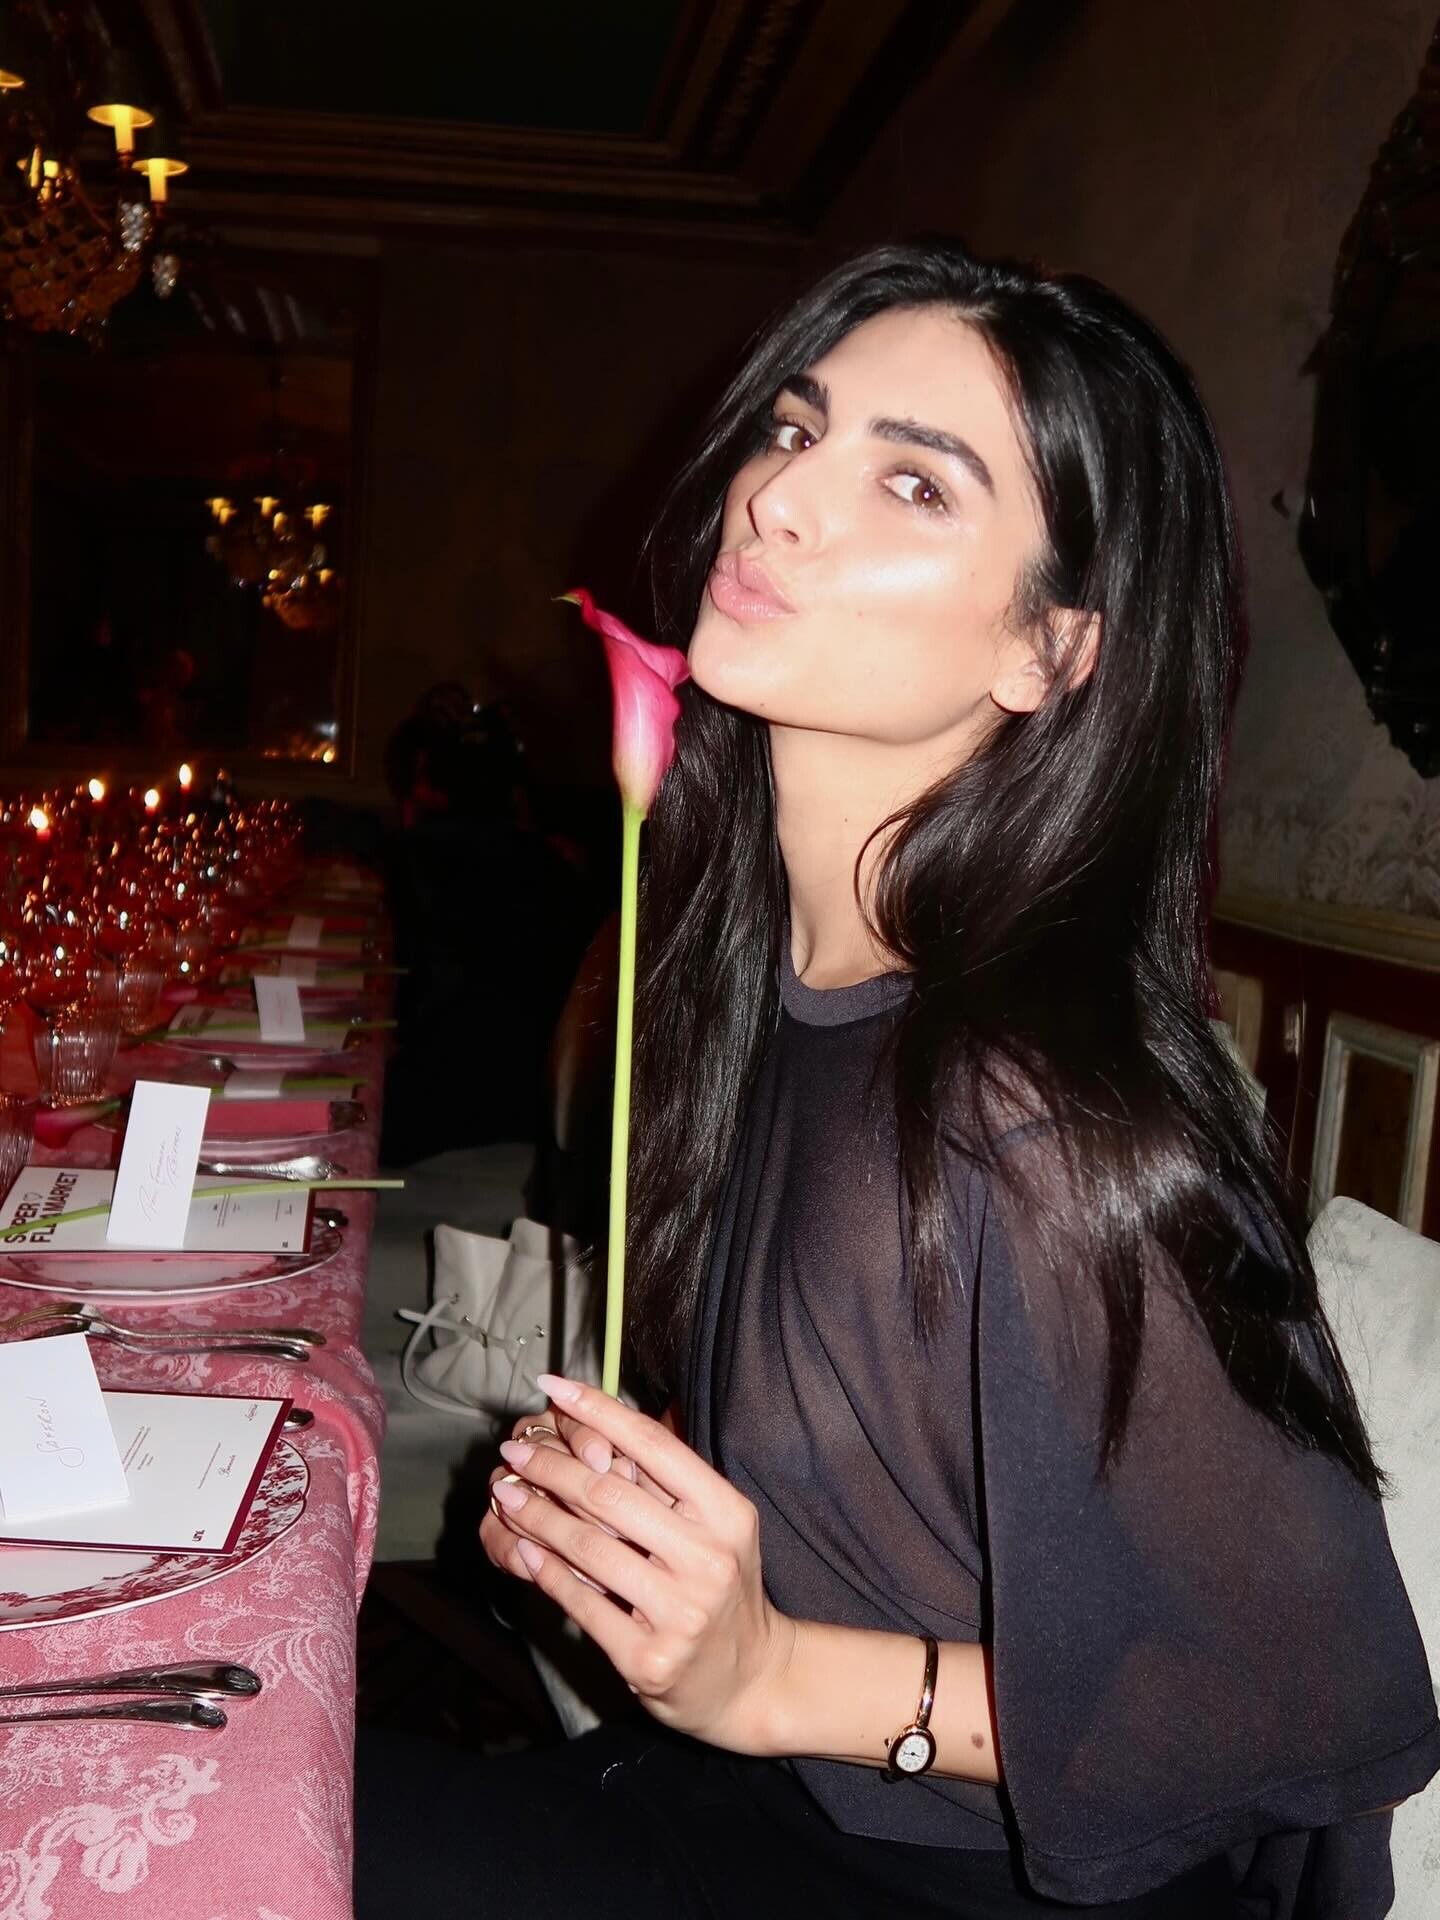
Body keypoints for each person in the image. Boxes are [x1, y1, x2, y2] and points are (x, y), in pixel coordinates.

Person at [354, 240, 1440, 1915]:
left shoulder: (1032, 1108)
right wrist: (636, 1553)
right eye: (797, 430)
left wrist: (777, 1671)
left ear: (1050, 653)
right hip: (743, 1807)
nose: (780, 498)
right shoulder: (751, 990)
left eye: (915, 483)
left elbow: (1308, 1702)